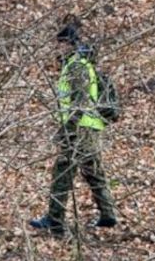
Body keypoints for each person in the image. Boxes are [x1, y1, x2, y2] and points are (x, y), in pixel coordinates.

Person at [28, 20, 118, 235]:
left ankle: (55, 220)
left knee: (62, 173)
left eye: (59, 45)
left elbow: (79, 100)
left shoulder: (76, 66)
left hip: (78, 129)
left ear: (67, 44)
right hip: (90, 128)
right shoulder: (84, 64)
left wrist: (67, 128)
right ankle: (108, 215)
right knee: (93, 173)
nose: (57, 50)